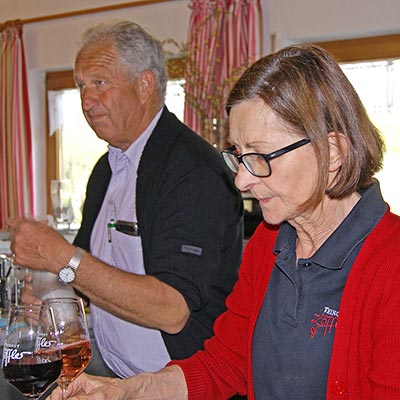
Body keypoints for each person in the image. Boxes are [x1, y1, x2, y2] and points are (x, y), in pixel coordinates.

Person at [46, 43, 400, 400]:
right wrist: (125, 391)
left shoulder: (391, 265)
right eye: (238, 156)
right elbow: (225, 364)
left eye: (260, 156)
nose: (242, 180)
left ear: (333, 152)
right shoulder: (269, 243)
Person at [8, 20, 243, 380]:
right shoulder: (107, 168)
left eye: (100, 83)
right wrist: (53, 296)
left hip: (180, 385)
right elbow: (86, 277)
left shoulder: (193, 171)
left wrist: (58, 256)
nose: (86, 101)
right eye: (81, 86)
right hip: (112, 371)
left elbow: (172, 310)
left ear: (145, 84)